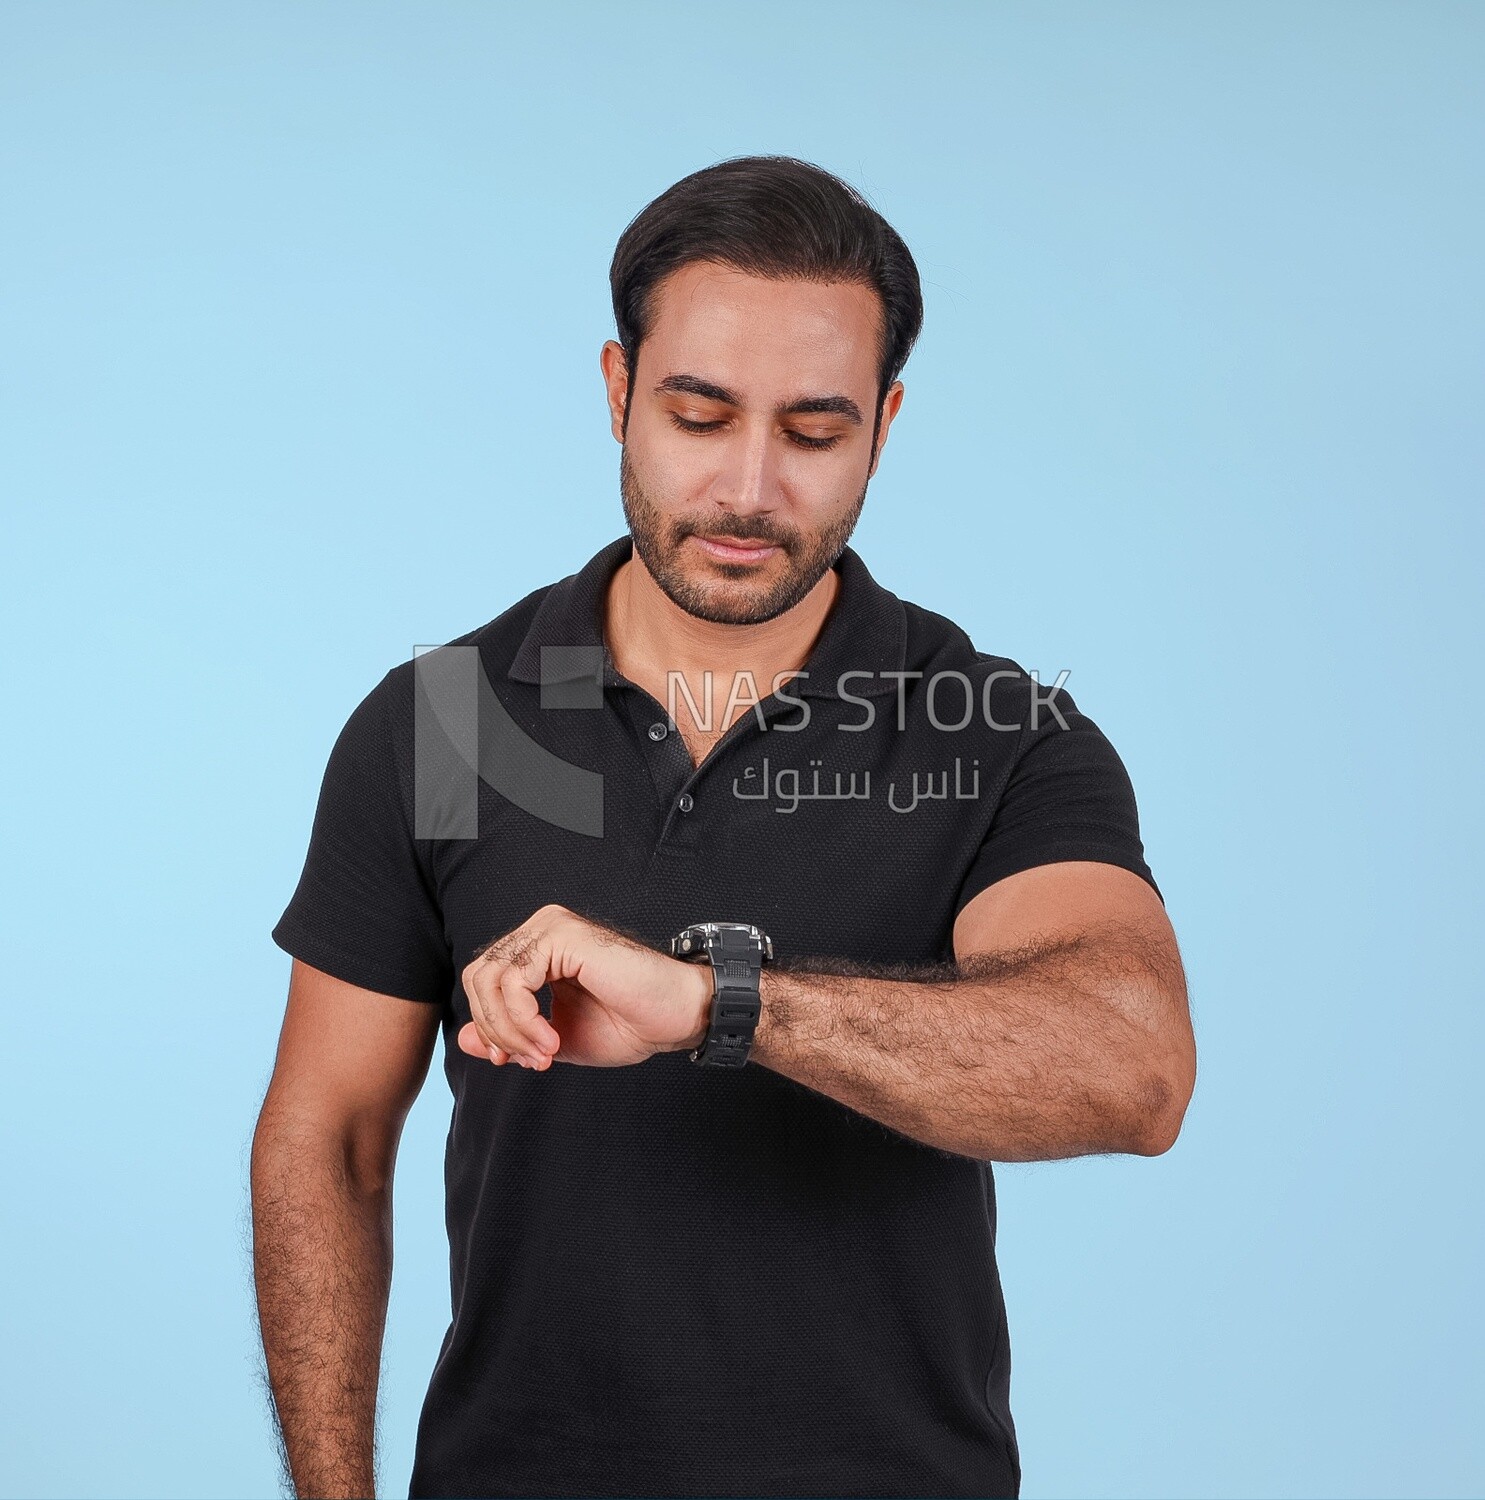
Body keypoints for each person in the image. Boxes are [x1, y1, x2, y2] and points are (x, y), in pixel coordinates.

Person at [251, 153, 1196, 1500]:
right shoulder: (445, 723)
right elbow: (326, 1136)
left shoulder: (997, 731)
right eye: (698, 414)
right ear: (616, 391)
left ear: (884, 422)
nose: (750, 488)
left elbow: (1130, 1068)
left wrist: (715, 1003)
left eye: (814, 432)